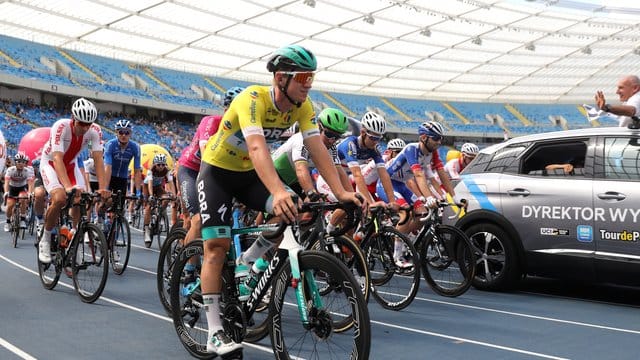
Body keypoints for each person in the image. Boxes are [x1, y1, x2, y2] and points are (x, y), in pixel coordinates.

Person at [195, 44, 363, 356]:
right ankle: (214, 332)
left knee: (294, 214)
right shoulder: (252, 99)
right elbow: (258, 148)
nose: (308, 83)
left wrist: (341, 193)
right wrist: (278, 190)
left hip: (248, 176)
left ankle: (248, 261)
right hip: (217, 173)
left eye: (311, 77)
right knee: (216, 249)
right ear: (280, 78)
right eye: (302, 76)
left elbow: (318, 149)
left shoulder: (303, 106)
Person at [38, 97, 110, 263]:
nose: (85, 128)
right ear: (73, 119)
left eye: (88, 124)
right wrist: (68, 186)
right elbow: (57, 159)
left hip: (70, 166)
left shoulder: (95, 130)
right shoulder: (61, 126)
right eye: (81, 124)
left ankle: (74, 242)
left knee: (81, 199)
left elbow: (99, 159)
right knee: (60, 198)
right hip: (51, 164)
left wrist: (102, 187)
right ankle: (46, 239)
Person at [177, 86, 244, 258]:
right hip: (191, 170)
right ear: (226, 109)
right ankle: (187, 271)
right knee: (198, 221)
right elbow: (207, 155)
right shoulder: (211, 122)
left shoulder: (243, 132)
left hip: (213, 175)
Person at [272, 107, 352, 199]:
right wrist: (310, 192)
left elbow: (340, 173)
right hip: (275, 173)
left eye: (336, 137)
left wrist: (352, 195)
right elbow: (301, 169)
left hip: (293, 180)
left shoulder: (331, 148)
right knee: (288, 204)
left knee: (311, 206)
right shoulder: (303, 139)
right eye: (329, 134)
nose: (331, 141)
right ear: (318, 127)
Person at [104, 119, 142, 222]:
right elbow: (108, 167)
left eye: (127, 132)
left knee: (119, 208)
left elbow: (137, 170)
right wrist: (106, 188)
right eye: (121, 132)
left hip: (123, 178)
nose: (124, 135)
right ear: (116, 132)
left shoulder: (135, 147)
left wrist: (138, 191)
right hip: (109, 176)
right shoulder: (110, 145)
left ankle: (114, 231)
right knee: (107, 201)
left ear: (130, 134)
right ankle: (99, 217)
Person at [143, 153, 175, 246]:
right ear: (154, 164)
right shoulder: (150, 170)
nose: (161, 166)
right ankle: (147, 231)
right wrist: (151, 195)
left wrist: (173, 195)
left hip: (158, 187)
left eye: (163, 164)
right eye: (158, 164)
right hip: (148, 187)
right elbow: (149, 183)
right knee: (148, 207)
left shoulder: (166, 170)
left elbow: (171, 182)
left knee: (166, 199)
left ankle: (160, 215)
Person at [3, 152, 35, 232]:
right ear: (15, 162)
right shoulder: (10, 170)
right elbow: (6, 182)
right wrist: (6, 192)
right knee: (10, 205)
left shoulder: (27, 171)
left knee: (23, 199)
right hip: (12, 188)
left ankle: (22, 220)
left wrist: (30, 193)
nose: (21, 164)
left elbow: (30, 184)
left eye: (23, 162)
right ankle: (8, 222)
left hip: (22, 188)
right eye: (19, 161)